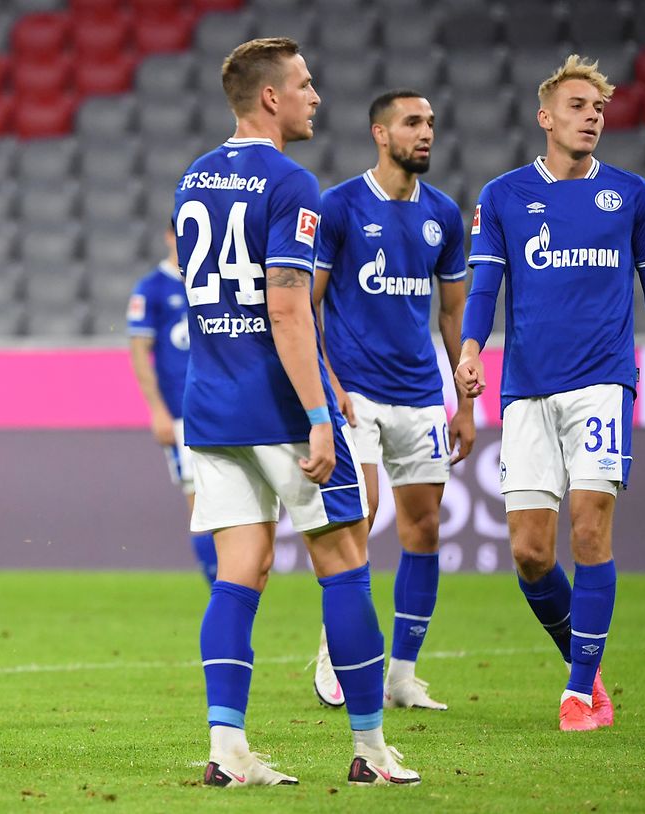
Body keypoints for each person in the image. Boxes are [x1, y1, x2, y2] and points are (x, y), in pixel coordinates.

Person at [178, 38, 419, 787]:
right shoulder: (291, 182)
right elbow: (285, 307)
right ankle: (371, 751)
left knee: (239, 571)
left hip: (211, 406)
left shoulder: (193, 177)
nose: (316, 97)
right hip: (281, 407)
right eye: (305, 84)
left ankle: (228, 751)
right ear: (271, 97)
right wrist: (319, 413)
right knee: (344, 564)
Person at [455, 55, 645, 732]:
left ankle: (577, 693)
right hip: (527, 389)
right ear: (545, 117)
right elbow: (484, 286)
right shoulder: (503, 196)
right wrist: (471, 350)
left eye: (598, 109)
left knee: (589, 529)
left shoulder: (632, 195)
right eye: (577, 106)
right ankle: (587, 670)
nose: (591, 117)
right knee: (531, 554)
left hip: (603, 384)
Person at [309, 90, 474, 712]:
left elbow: (454, 316)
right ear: (380, 134)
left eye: (430, 122)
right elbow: (307, 302)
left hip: (421, 395)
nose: (426, 132)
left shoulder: (443, 215)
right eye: (412, 122)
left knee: (424, 528)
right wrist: (329, 383)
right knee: (361, 512)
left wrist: (465, 404)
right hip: (355, 393)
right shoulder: (340, 206)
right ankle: (336, 648)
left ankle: (402, 675)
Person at [127, 222, 218, 584]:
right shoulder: (152, 288)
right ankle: (218, 587)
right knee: (199, 502)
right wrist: (158, 411)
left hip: (224, 407)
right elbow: (139, 351)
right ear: (168, 236)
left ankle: (234, 586)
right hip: (182, 414)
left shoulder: (215, 280)